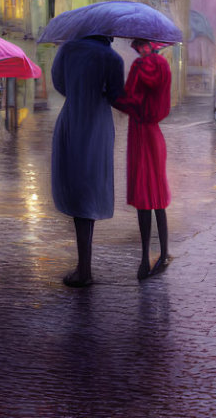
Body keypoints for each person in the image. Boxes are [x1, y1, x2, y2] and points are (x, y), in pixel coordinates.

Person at [51, 35, 125, 287]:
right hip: (96, 125)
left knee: (77, 191)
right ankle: (84, 268)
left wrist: (78, 90)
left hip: (71, 120)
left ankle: (84, 266)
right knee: (89, 191)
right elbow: (116, 95)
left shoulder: (68, 49)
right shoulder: (112, 58)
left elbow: (59, 84)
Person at [114, 39, 173, 280]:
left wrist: (110, 96)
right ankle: (164, 253)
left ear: (141, 46)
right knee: (157, 196)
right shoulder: (164, 66)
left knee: (142, 197)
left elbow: (131, 101)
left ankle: (144, 258)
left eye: (136, 45)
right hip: (154, 134)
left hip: (140, 133)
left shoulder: (140, 67)